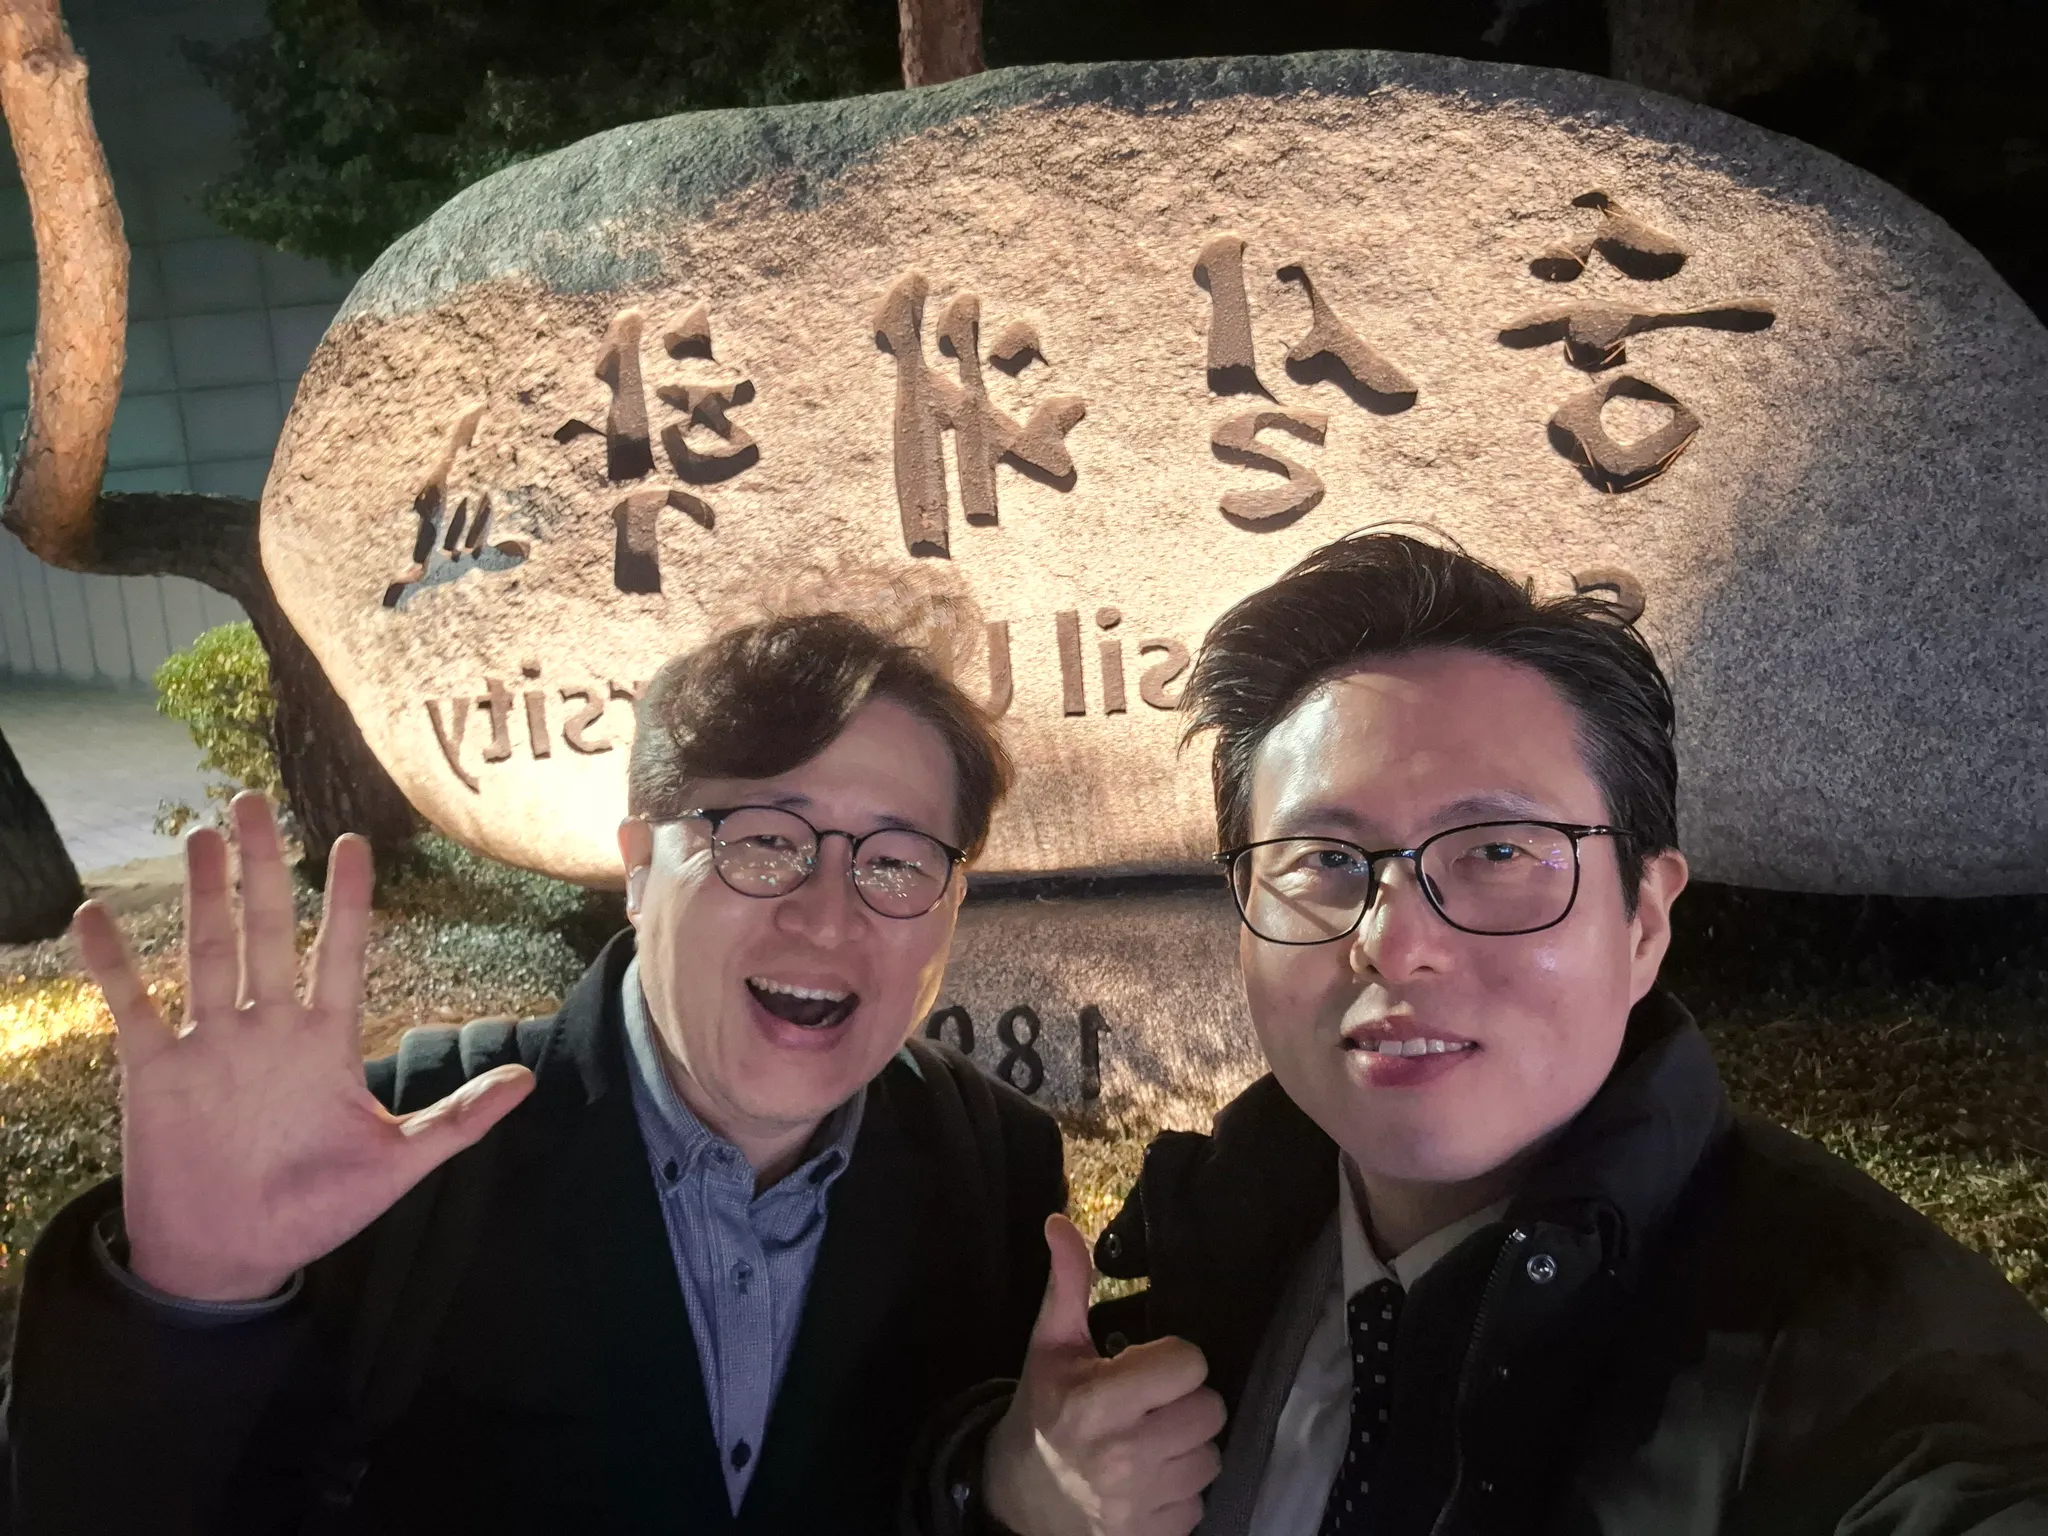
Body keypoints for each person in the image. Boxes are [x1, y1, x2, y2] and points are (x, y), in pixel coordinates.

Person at [925, 531, 2048, 1536]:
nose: (1394, 943)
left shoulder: (1867, 1363)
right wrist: (1004, 1495)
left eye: (1498, 852)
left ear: (1644, 921)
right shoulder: (1225, 1235)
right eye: (1324, 861)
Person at [3, 609, 1065, 1534]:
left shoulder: (995, 1171)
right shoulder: (384, 1154)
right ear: (638, 870)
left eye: (895, 862)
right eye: (762, 840)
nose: (827, 916)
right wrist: (186, 1304)